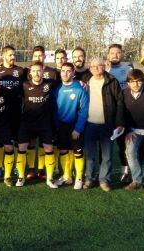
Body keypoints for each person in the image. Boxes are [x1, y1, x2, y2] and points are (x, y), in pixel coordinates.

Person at [83, 58, 124, 192]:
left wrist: (119, 123)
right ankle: (89, 178)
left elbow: (119, 103)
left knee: (107, 156)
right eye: (93, 66)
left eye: (99, 65)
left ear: (104, 66)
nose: (96, 68)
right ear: (90, 68)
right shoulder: (86, 80)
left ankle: (104, 180)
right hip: (89, 124)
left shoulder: (112, 81)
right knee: (90, 155)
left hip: (108, 125)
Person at [16, 61, 58, 188]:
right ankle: (21, 177)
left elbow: (68, 82)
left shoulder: (49, 84)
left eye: (39, 70)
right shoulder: (24, 85)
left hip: (44, 123)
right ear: (30, 72)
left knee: (49, 148)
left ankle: (50, 179)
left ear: (42, 71)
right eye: (33, 71)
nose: (36, 73)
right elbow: (7, 92)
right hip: (27, 122)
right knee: (21, 148)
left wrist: (81, 83)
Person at [26, 45, 60, 181]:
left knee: (45, 142)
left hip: (48, 113)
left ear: (45, 57)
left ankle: (41, 169)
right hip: (31, 114)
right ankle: (30, 168)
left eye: (41, 56)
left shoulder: (53, 73)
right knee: (31, 141)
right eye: (36, 56)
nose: (39, 58)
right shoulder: (27, 71)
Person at [53, 62, 89, 190]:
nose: (65, 73)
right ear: (60, 72)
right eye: (63, 70)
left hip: (75, 126)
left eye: (69, 71)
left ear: (74, 73)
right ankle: (67, 176)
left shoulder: (80, 89)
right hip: (61, 127)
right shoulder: (57, 89)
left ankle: (79, 177)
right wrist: (57, 126)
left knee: (77, 152)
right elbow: (54, 110)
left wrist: (78, 129)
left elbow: (84, 111)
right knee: (63, 150)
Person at [0, 45, 24, 177]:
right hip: (1, 111)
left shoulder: (21, 71)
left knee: (16, 139)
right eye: (10, 55)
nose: (13, 57)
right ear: (3, 56)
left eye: (14, 55)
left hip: (16, 110)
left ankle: (16, 166)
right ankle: (0, 166)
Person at [106, 43, 134, 183]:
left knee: (124, 144)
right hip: (108, 113)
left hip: (126, 112)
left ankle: (125, 171)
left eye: (118, 53)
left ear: (122, 54)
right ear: (108, 55)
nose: (115, 55)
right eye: (112, 53)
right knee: (105, 145)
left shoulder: (128, 69)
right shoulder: (105, 69)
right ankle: (105, 173)